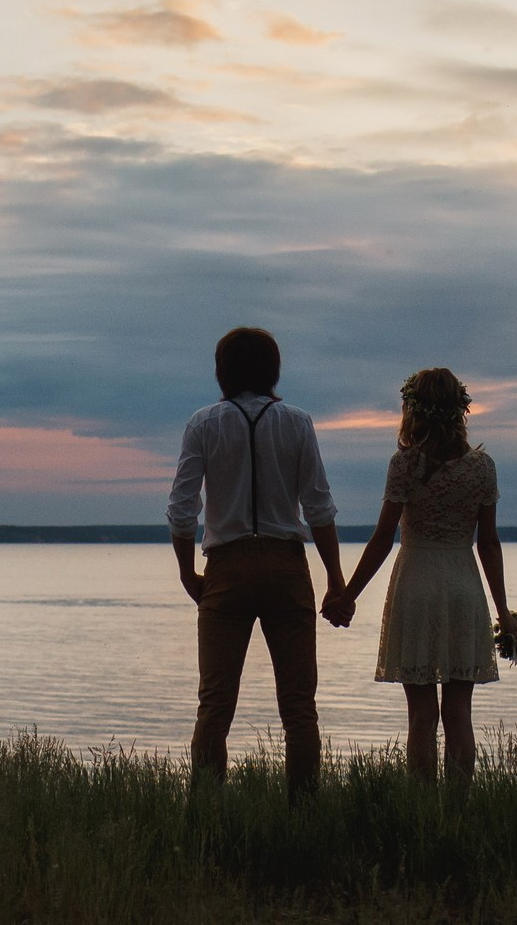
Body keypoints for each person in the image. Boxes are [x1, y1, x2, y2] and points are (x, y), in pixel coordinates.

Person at [166, 325, 347, 799]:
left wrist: (187, 571)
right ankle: (303, 815)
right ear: (273, 370)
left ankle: (206, 811)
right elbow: (319, 508)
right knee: (299, 707)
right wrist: (335, 580)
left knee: (215, 705)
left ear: (222, 372)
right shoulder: (297, 422)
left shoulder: (203, 423)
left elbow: (183, 508)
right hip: (287, 567)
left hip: (226, 567)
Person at [326, 367, 517, 786]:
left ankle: (422, 809)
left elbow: (382, 538)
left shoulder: (405, 464)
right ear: (459, 410)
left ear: (413, 410)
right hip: (463, 585)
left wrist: (348, 594)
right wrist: (503, 611)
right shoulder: (482, 467)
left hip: (416, 585)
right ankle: (459, 811)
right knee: (459, 715)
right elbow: (489, 543)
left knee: (421, 718)